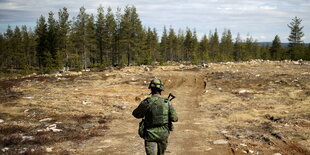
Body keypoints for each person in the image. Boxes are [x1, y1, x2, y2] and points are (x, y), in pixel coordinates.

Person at [132, 79, 178, 155]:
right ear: (161, 89)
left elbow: (135, 114)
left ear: (151, 89)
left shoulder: (147, 102)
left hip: (150, 134)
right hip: (163, 135)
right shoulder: (167, 103)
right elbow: (175, 118)